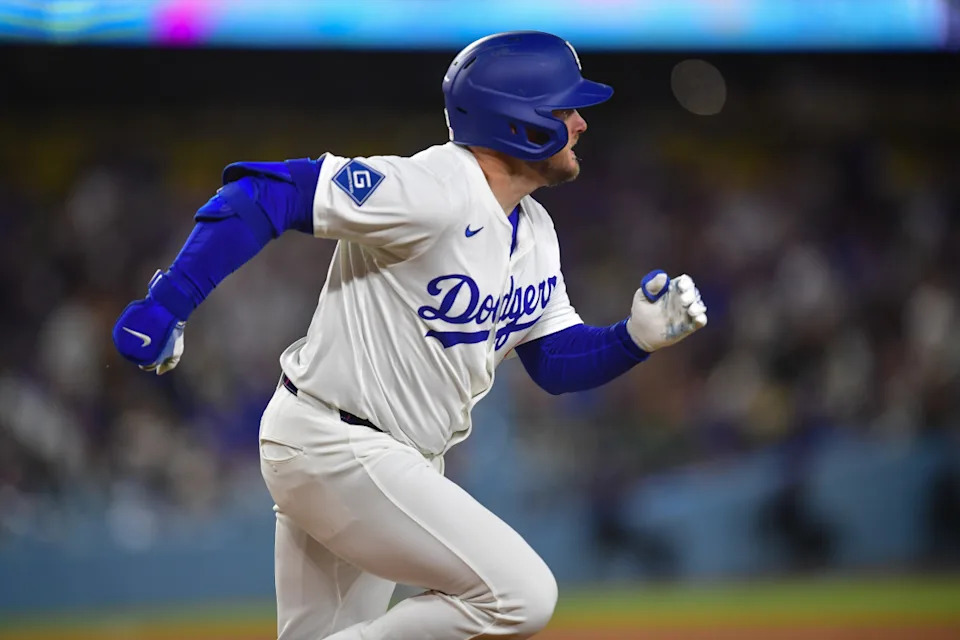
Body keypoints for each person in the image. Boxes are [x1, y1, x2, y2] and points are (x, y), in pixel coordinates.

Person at [112, 31, 707, 640]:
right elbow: (263, 193)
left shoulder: (534, 228)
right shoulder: (432, 190)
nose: (580, 123)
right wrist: (168, 303)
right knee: (520, 596)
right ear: (519, 122)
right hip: (337, 443)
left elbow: (552, 360)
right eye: (564, 110)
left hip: (378, 456)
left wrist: (633, 339)